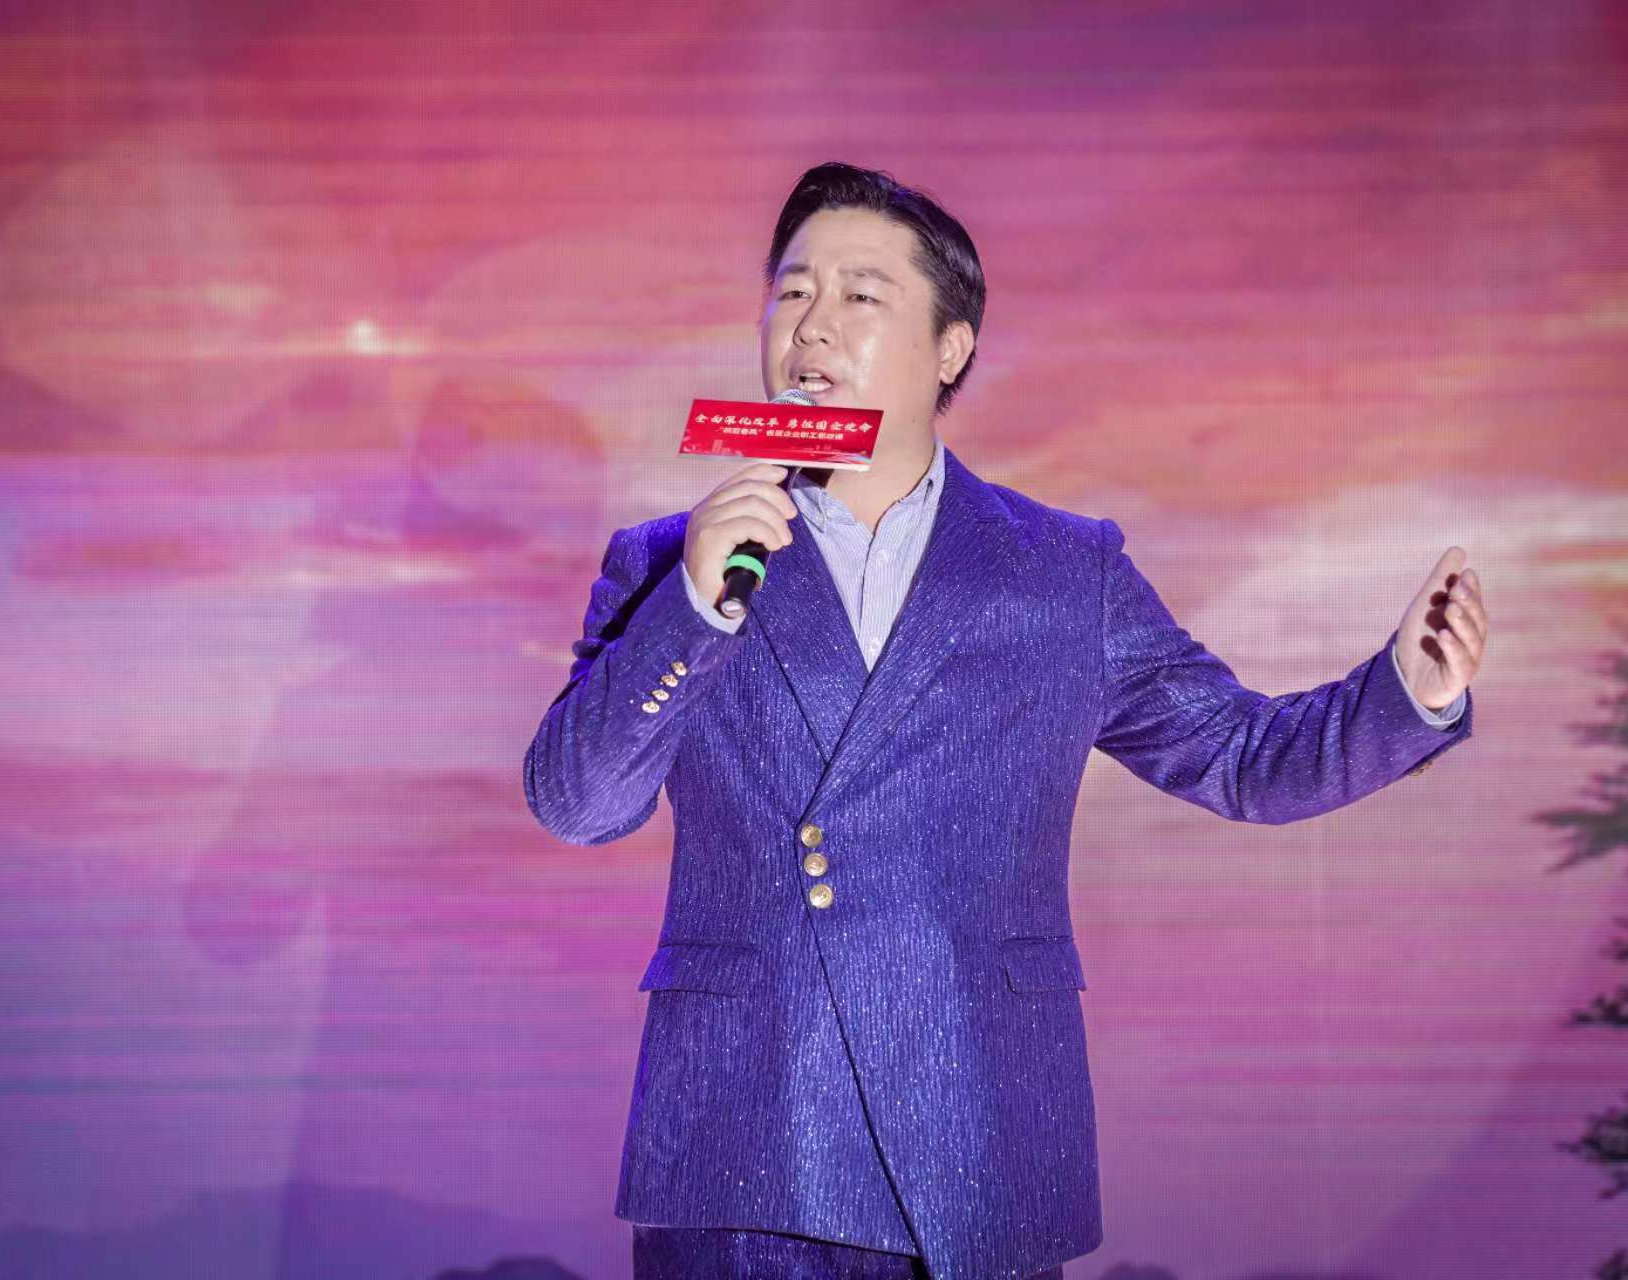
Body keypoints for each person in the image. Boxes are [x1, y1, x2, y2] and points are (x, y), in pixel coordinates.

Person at [523, 162, 1485, 1280]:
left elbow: (1240, 757)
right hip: (744, 1139)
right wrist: (692, 609)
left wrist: (1406, 691)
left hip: (977, 1126)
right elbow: (577, 804)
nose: (812, 326)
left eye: (860, 294)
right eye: (791, 292)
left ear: (950, 349)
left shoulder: (1063, 570)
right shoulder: (664, 560)